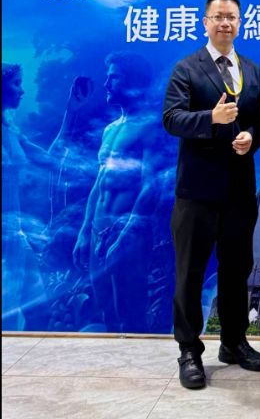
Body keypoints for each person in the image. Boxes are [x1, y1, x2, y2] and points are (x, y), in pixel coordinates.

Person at [163, 0, 260, 389]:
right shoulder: (186, 68)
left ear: (240, 24)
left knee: (237, 270)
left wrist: (251, 138)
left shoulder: (252, 70)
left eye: (232, 17)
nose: (225, 23)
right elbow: (172, 118)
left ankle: (234, 341)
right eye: (218, 17)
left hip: (239, 191)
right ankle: (189, 350)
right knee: (190, 272)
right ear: (205, 22)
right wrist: (211, 118)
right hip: (196, 192)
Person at [72, 52, 163, 333]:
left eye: (114, 77)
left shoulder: (152, 127)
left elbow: (151, 186)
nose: (106, 84)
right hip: (98, 229)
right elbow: (99, 183)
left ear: (134, 81)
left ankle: (140, 362)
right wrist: (84, 231)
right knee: (105, 309)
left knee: (130, 312)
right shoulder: (110, 130)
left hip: (127, 231)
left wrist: (125, 237)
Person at [2, 63, 89, 330]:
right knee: (10, 310)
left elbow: (49, 160)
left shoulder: (10, 131)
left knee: (38, 310)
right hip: (6, 234)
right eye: (16, 84)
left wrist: (71, 112)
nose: (22, 91)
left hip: (14, 233)